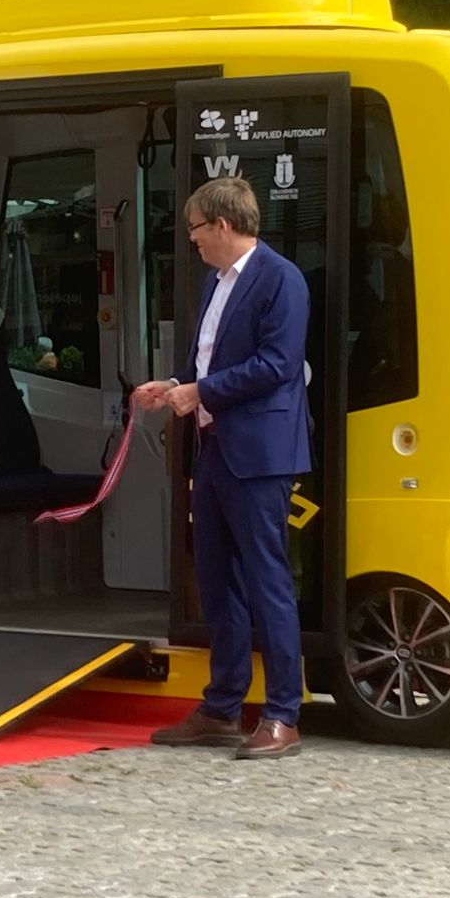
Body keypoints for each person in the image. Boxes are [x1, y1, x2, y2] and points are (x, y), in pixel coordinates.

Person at [133, 176, 311, 761]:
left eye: (196, 230)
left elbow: (278, 364)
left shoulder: (280, 278)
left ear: (223, 226)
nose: (193, 242)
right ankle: (222, 705)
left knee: (266, 580)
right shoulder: (216, 282)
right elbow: (211, 357)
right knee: (215, 578)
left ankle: (283, 713)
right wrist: (178, 386)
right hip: (216, 447)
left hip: (259, 453)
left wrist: (201, 390)